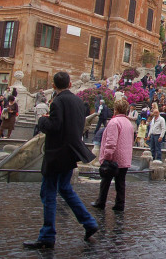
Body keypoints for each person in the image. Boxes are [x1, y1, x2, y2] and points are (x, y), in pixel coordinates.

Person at [23, 72, 98, 250]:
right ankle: (89, 222)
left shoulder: (57, 101)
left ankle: (47, 236)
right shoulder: (79, 102)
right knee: (64, 188)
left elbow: (55, 126)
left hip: (57, 153)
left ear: (54, 86)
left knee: (48, 192)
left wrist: (42, 121)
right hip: (71, 152)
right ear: (70, 84)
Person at [92, 99, 134, 211]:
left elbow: (111, 142)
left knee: (105, 181)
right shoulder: (128, 122)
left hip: (114, 158)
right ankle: (120, 204)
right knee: (120, 183)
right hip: (125, 157)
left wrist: (107, 157)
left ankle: (101, 202)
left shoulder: (114, 122)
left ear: (115, 109)